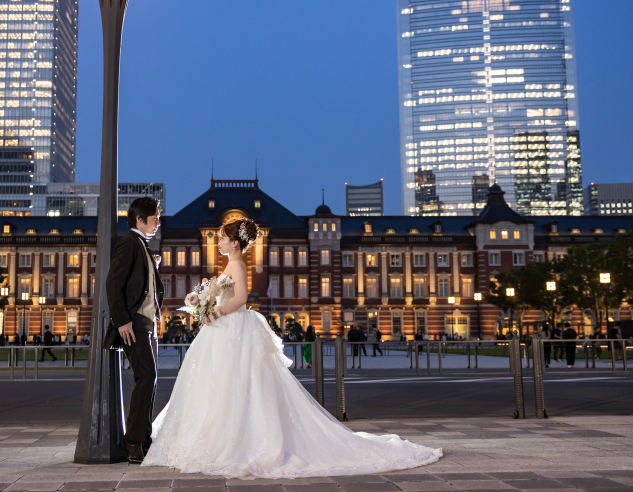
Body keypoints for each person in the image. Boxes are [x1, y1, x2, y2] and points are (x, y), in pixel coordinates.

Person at [142, 218, 441, 478]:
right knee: (223, 384)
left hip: (230, 327)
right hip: (224, 330)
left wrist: (215, 311)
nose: (218, 241)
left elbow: (242, 298)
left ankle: (234, 440)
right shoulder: (230, 263)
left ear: (233, 243)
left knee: (234, 383)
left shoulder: (237, 264)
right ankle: (222, 436)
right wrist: (207, 305)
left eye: (221, 237)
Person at [103, 196, 164, 464]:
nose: (158, 223)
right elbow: (113, 282)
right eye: (154, 219)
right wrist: (122, 319)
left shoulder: (142, 247)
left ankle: (144, 438)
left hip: (146, 323)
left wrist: (153, 266)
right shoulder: (129, 243)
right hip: (134, 323)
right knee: (146, 375)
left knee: (149, 379)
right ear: (140, 219)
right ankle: (134, 440)